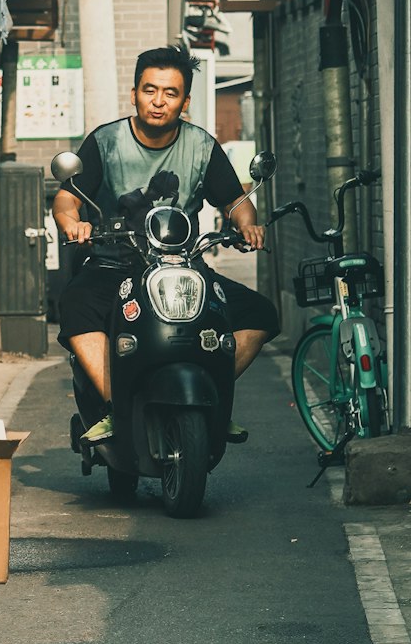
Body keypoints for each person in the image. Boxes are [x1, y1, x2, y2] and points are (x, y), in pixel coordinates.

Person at [52, 44, 279, 443]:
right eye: (149, 90)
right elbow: (67, 199)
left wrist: (248, 224)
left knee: (259, 314)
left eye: (170, 93)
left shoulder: (201, 146)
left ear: (185, 100)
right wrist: (73, 223)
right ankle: (114, 406)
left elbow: (235, 199)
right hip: (113, 268)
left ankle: (209, 398)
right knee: (74, 305)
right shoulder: (106, 142)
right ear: (135, 93)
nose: (158, 102)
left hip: (182, 269)